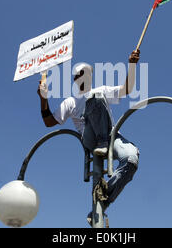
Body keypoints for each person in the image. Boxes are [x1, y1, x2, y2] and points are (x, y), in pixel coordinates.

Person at [37, 50, 141, 222]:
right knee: (95, 97)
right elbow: (49, 122)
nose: (82, 77)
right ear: (75, 80)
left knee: (131, 159)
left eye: (85, 73)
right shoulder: (70, 102)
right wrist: (43, 99)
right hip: (91, 139)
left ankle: (102, 202)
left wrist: (132, 65)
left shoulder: (102, 90)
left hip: (111, 136)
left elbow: (127, 89)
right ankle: (101, 143)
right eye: (79, 75)